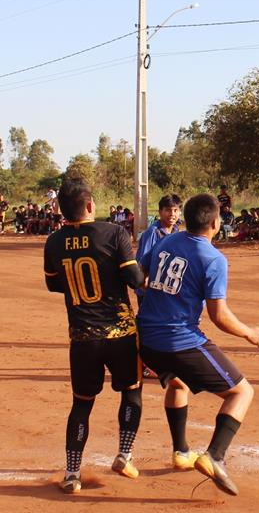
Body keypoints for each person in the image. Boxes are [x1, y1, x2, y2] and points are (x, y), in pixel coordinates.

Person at [137, 193, 259, 495]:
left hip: (147, 340)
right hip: (178, 341)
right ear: (214, 223)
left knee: (179, 384)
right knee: (241, 392)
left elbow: (141, 277)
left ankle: (181, 452)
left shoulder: (166, 241)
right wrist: (250, 332)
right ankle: (215, 456)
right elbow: (218, 315)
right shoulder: (213, 258)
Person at [43, 178, 145, 493]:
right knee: (132, 391)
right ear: (90, 206)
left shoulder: (54, 241)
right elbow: (134, 278)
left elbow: (53, 284)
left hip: (82, 337)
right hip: (120, 334)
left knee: (81, 405)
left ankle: (72, 474)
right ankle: (124, 454)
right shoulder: (114, 233)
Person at [135, 194, 182, 378]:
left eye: (176, 210)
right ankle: (144, 364)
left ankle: (164, 363)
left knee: (165, 327)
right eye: (168, 210)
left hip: (167, 291)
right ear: (160, 211)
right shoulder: (152, 233)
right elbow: (141, 264)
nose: (172, 214)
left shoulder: (177, 232)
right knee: (149, 329)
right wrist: (147, 288)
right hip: (149, 291)